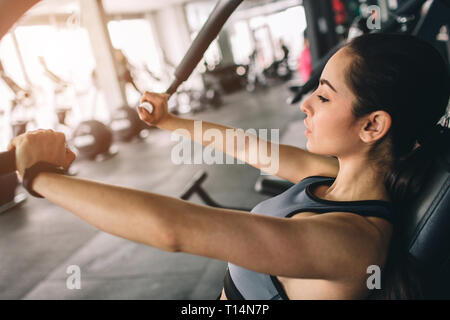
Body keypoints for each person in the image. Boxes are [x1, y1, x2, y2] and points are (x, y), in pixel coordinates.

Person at [7, 33, 450, 300]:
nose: (307, 104)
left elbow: (172, 229)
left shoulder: (351, 241)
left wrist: (42, 178)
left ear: (373, 125)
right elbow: (252, 148)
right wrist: (170, 121)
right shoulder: (337, 179)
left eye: (326, 95)